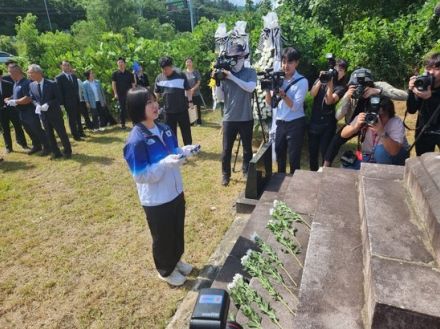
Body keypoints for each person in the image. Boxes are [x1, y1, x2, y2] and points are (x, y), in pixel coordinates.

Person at [123, 87, 200, 286]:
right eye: (148, 102)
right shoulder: (136, 140)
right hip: (156, 199)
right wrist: (164, 164)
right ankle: (165, 270)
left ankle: (175, 261)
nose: (155, 105)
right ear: (137, 107)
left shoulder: (164, 128)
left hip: (174, 190)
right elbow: (140, 176)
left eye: (154, 100)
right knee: (163, 236)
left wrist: (185, 152)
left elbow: (173, 153)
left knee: (176, 231)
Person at [323, 68, 408, 167]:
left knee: (382, 148)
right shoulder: (350, 90)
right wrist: (347, 96)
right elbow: (338, 115)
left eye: (364, 86)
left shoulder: (378, 86)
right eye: (356, 86)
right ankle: (325, 166)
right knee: (337, 139)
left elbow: (405, 95)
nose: (361, 88)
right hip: (359, 118)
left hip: (379, 118)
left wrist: (377, 91)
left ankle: (389, 164)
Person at [215, 44, 257, 186]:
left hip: (246, 117)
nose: (235, 60)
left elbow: (250, 87)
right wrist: (218, 82)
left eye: (238, 57)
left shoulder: (250, 72)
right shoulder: (225, 74)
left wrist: (232, 77)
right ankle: (225, 174)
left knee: (247, 148)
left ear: (243, 57)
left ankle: (246, 171)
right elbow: (219, 97)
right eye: (233, 57)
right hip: (229, 118)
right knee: (226, 149)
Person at [265, 47, 309, 174]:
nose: (286, 65)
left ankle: (294, 187)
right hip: (280, 123)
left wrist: (283, 95)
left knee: (294, 158)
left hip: (295, 123)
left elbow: (295, 107)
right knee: (280, 156)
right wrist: (268, 89)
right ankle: (281, 181)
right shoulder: (277, 78)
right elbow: (270, 103)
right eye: (284, 62)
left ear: (296, 63)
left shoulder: (302, 81)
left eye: (290, 62)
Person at [341, 97, 409, 167]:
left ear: (390, 115)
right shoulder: (366, 117)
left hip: (393, 158)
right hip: (368, 156)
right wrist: (354, 127)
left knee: (380, 151)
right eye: (375, 115)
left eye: (382, 116)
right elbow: (343, 134)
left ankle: (384, 175)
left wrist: (382, 132)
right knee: (347, 163)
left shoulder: (395, 122)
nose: (377, 119)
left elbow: (394, 151)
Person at [308, 58, 348, 171]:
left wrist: (330, 85)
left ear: (344, 73)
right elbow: (312, 93)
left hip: (328, 124)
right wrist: (321, 79)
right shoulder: (322, 79)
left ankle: (325, 176)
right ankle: (312, 175)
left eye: (341, 70)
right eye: (336, 68)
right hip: (315, 121)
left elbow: (329, 101)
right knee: (312, 153)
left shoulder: (341, 87)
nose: (337, 71)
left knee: (325, 154)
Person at [28, 64, 72, 159]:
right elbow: (32, 98)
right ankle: (56, 152)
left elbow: (59, 98)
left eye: (31, 73)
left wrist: (48, 104)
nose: (29, 75)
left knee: (61, 133)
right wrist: (37, 105)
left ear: (38, 73)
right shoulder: (31, 85)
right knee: (49, 134)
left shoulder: (52, 83)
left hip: (54, 113)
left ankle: (67, 151)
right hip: (43, 115)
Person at [5, 64, 49, 156]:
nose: (9, 74)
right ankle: (36, 146)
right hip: (21, 112)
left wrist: (15, 101)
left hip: (30, 111)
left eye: (10, 72)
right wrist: (10, 99)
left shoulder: (26, 83)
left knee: (37, 129)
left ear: (16, 72)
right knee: (29, 130)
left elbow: (28, 98)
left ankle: (47, 147)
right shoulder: (16, 83)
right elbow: (17, 95)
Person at [154, 56, 193, 145]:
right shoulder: (159, 78)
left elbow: (188, 89)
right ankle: (174, 149)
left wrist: (190, 101)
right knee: (171, 133)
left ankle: (189, 147)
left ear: (171, 67)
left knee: (186, 130)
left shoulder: (181, 75)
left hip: (182, 109)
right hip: (168, 112)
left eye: (166, 69)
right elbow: (156, 93)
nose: (164, 71)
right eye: (162, 69)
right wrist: (155, 105)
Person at [407, 52, 440, 155]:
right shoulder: (422, 83)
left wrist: (430, 98)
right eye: (429, 68)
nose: (431, 72)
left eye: (437, 69)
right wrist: (411, 91)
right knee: (423, 164)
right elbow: (411, 110)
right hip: (424, 131)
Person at [56, 60, 85, 141]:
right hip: (67, 102)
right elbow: (59, 91)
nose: (67, 67)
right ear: (61, 66)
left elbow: (76, 89)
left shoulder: (73, 76)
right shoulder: (59, 77)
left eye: (68, 65)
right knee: (72, 119)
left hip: (76, 100)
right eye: (65, 65)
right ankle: (75, 135)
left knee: (78, 117)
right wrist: (61, 103)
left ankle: (81, 132)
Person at [1, 67, 28, 153]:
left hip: (11, 109)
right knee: (5, 129)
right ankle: (9, 147)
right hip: (1, 111)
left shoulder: (8, 84)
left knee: (18, 126)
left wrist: (10, 99)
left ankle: (23, 144)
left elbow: (14, 95)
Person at [112, 57, 135, 129]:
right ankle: (123, 124)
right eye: (119, 62)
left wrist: (134, 93)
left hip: (129, 94)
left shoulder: (129, 74)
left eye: (122, 62)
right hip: (120, 94)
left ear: (125, 64)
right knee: (122, 109)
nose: (120, 64)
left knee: (131, 108)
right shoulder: (115, 74)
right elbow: (113, 84)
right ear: (117, 64)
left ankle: (134, 123)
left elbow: (133, 84)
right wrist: (115, 93)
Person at [184, 57, 203, 125]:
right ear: (185, 63)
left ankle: (199, 122)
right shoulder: (183, 73)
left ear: (192, 63)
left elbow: (198, 82)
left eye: (190, 62)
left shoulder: (196, 72)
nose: (188, 63)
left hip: (196, 93)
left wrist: (193, 89)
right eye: (187, 62)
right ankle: (191, 122)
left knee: (197, 108)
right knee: (189, 108)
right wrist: (188, 90)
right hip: (187, 94)